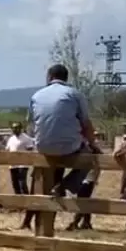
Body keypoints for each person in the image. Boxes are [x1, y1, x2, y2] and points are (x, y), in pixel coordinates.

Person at [30, 63, 96, 196]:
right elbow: (86, 123)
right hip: (68, 148)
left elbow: (32, 124)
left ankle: (48, 188)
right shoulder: (74, 94)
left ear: (49, 77)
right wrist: (93, 144)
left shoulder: (36, 96)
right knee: (93, 161)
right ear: (66, 78)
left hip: (42, 147)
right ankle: (66, 185)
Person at [5, 122, 34, 195]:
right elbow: (7, 150)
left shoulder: (26, 138)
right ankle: (18, 202)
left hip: (22, 164)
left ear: (21, 128)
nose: (15, 129)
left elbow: (30, 149)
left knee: (22, 183)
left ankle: (27, 200)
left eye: (17, 127)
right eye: (13, 128)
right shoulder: (11, 139)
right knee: (15, 184)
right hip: (13, 165)